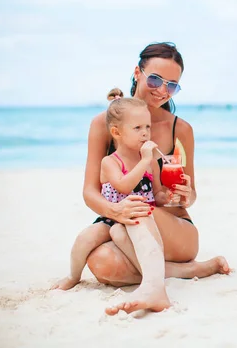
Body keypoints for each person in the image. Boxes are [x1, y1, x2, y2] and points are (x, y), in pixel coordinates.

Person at [82, 43, 230, 315]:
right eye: (155, 79)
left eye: (172, 85)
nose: (162, 90)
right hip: (122, 221)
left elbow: (191, 194)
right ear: (137, 73)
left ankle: (154, 288)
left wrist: (187, 195)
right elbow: (90, 192)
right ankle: (191, 271)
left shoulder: (180, 129)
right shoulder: (103, 124)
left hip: (175, 229)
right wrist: (115, 210)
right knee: (101, 264)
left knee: (139, 208)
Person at [53, 96, 176, 313]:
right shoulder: (110, 162)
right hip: (112, 215)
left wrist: (167, 196)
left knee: (135, 233)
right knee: (86, 237)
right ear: (117, 133)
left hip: (139, 217)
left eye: (148, 126)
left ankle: (153, 285)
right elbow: (123, 186)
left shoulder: (150, 162)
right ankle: (73, 275)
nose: (145, 133)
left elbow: (156, 194)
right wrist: (145, 161)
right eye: (137, 127)